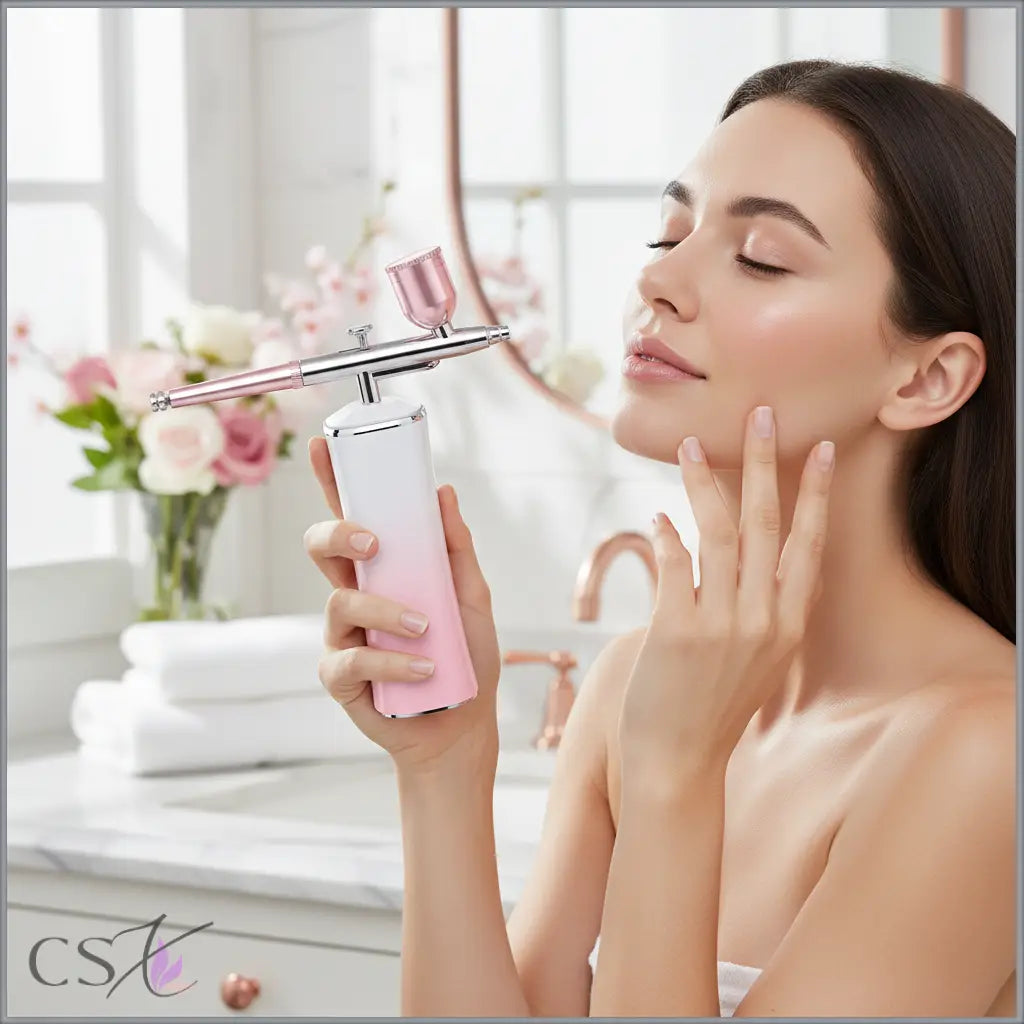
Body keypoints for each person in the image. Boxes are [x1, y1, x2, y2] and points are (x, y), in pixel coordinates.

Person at [304, 59, 1016, 1017]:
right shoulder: (636, 683)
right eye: (670, 233)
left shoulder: (987, 752)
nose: (657, 277)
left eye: (760, 255)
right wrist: (442, 768)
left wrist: (675, 777)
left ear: (928, 379)